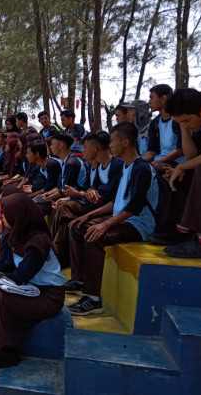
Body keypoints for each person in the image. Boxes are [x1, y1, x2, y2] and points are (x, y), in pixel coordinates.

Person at [0, 192, 65, 372]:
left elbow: (20, 276)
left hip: (48, 295)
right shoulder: (14, 234)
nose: (0, 217)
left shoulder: (38, 242)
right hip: (29, 288)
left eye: (4, 214)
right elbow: (4, 265)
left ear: (17, 215)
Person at [66, 122, 159, 315]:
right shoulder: (127, 166)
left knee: (95, 236)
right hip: (123, 219)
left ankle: (93, 299)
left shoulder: (141, 168)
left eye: (114, 141)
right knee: (77, 227)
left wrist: (105, 224)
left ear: (125, 142)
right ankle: (81, 278)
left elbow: (135, 207)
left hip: (139, 225)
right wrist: (88, 216)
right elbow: (116, 203)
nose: (111, 146)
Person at [154, 89, 201, 259]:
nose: (186, 124)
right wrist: (185, 129)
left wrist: (182, 166)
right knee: (182, 172)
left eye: (187, 121)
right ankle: (178, 230)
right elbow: (191, 156)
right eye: (180, 122)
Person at [50, 131, 124, 268]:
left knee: (71, 216)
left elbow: (108, 196)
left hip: (108, 210)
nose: (82, 151)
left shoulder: (117, 165)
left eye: (85, 147)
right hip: (94, 206)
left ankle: (59, 255)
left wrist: (81, 195)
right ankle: (56, 251)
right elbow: (91, 188)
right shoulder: (97, 167)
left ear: (95, 148)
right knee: (64, 210)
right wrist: (88, 192)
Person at [38, 132, 87, 214]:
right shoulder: (65, 162)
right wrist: (46, 195)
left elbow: (65, 189)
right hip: (69, 197)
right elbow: (59, 187)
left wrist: (48, 198)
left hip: (78, 199)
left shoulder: (72, 163)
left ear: (61, 145)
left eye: (52, 144)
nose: (50, 147)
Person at [143, 84, 185, 172]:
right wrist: (138, 163)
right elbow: (152, 151)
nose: (149, 102)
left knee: (150, 169)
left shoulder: (178, 120)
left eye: (152, 98)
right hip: (159, 160)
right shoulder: (155, 123)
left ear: (163, 98)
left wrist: (156, 162)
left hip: (177, 162)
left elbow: (181, 150)